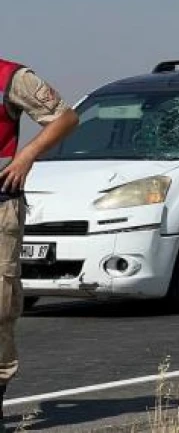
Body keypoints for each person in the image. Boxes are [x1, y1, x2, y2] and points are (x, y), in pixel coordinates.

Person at [0, 59, 78, 417]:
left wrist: (27, 155)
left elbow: (65, 117)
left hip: (0, 208)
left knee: (0, 305)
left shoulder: (11, 78)